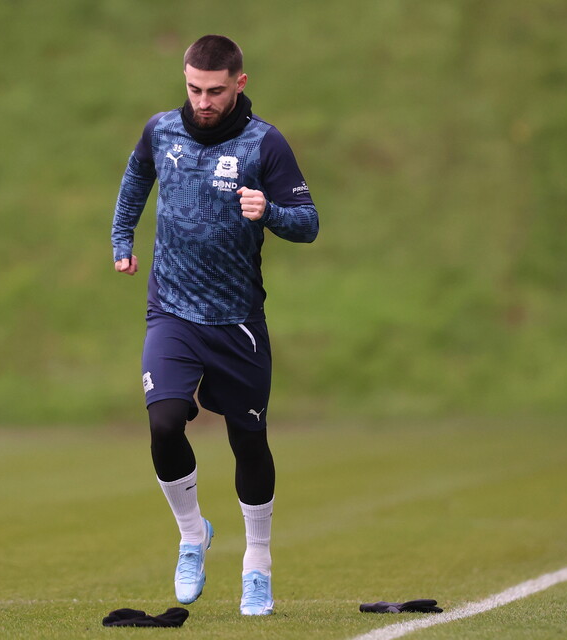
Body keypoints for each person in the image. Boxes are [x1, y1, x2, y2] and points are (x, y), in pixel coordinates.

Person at [111, 34, 318, 616]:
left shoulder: (264, 144)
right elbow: (135, 181)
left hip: (237, 322)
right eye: (194, 88)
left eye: (215, 91)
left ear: (240, 85)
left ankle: (258, 565)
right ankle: (192, 534)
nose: (203, 101)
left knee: (248, 441)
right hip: (172, 312)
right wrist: (121, 238)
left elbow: (309, 223)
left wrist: (269, 212)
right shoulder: (161, 131)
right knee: (164, 423)